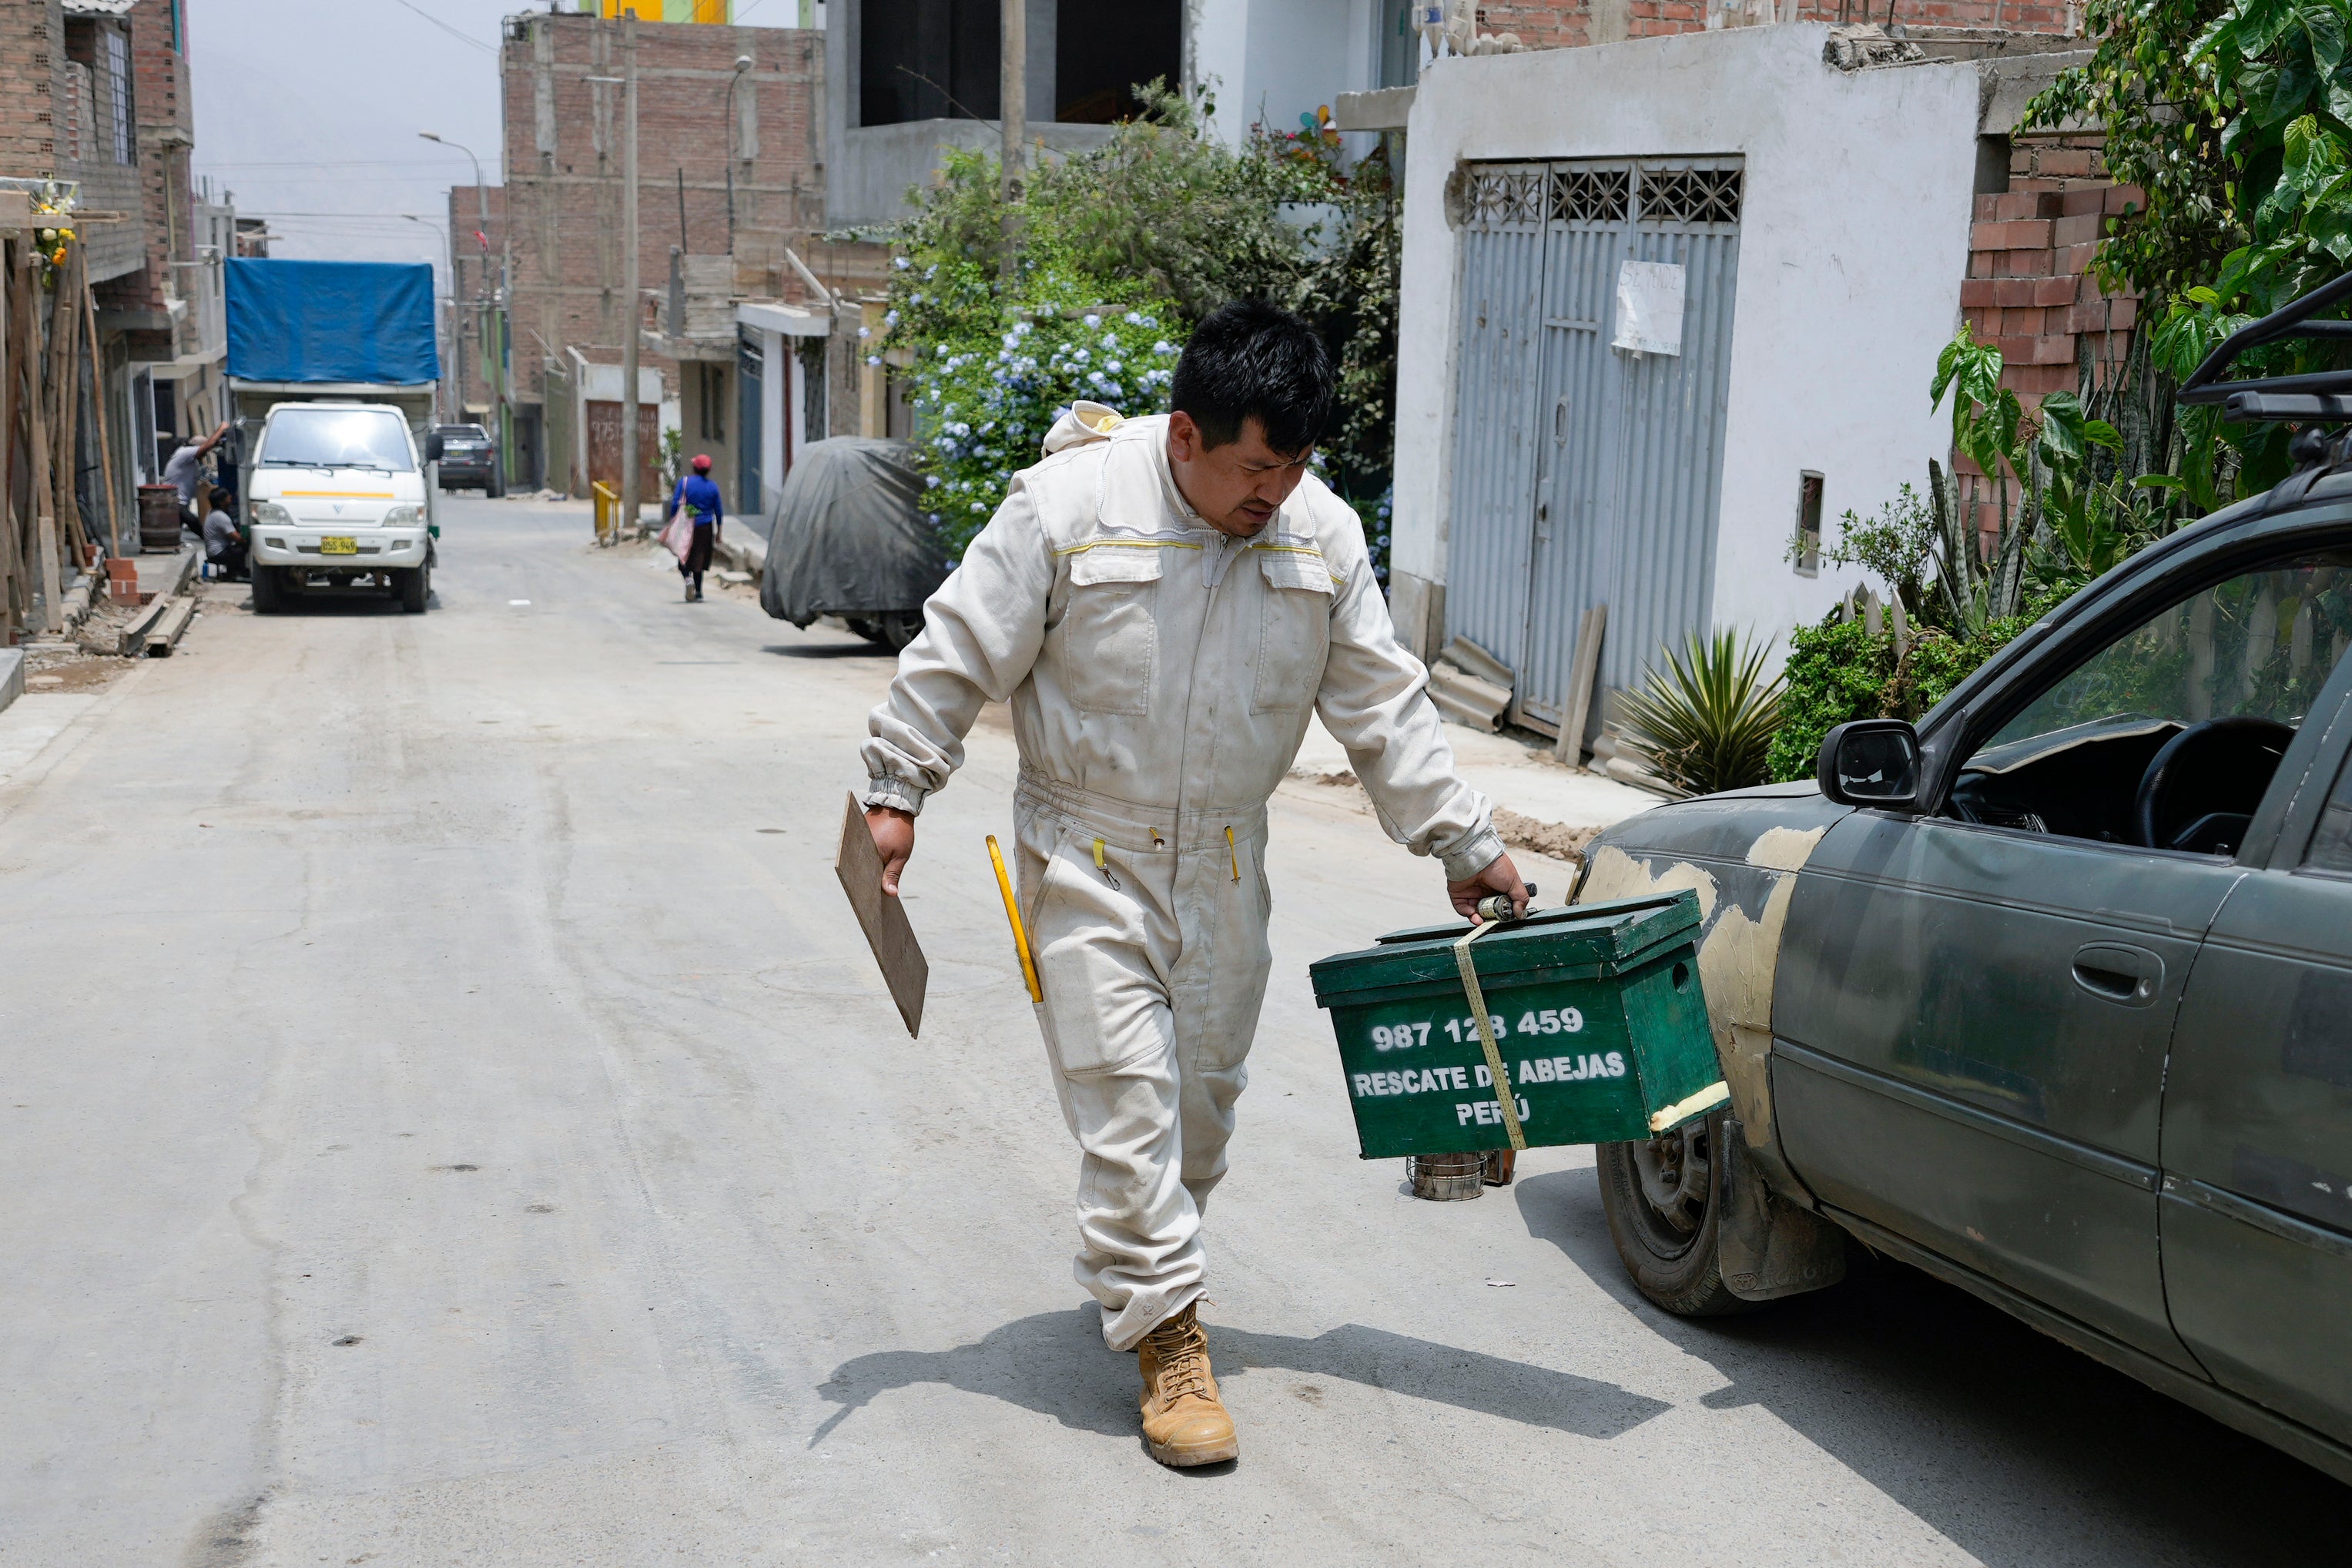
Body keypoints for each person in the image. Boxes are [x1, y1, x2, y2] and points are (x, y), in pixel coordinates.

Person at [859, 301, 1527, 1469]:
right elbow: (957, 646)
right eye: (1254, 467)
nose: (1274, 491)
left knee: (1199, 1113)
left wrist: (1464, 845)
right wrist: (896, 787)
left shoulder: (1317, 536)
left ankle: (1147, 1257)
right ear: (1183, 437)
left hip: (1227, 860)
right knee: (1125, 1101)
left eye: (1297, 464)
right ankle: (1171, 1341)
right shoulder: (1065, 507)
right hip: (1085, 853)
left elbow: (1381, 706)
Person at [666, 454, 723, 601]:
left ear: (694, 468)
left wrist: (673, 520)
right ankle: (698, 592)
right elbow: (719, 511)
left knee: (683, 554)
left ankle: (687, 579)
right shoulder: (713, 487)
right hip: (705, 526)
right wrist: (719, 533)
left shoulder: (685, 482)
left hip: (686, 525)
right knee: (700, 557)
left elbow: (675, 504)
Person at [163, 421, 232, 531]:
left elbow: (210, 446)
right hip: (175, 502)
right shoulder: (186, 452)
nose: (204, 455)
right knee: (196, 526)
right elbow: (208, 446)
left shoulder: (188, 458)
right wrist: (222, 428)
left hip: (180, 502)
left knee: (177, 530)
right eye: (204, 451)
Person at [201, 483, 246, 582]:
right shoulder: (220, 516)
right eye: (227, 496)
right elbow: (237, 538)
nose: (230, 497)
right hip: (218, 552)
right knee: (242, 548)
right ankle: (236, 573)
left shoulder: (213, 513)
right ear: (222, 501)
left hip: (213, 551)